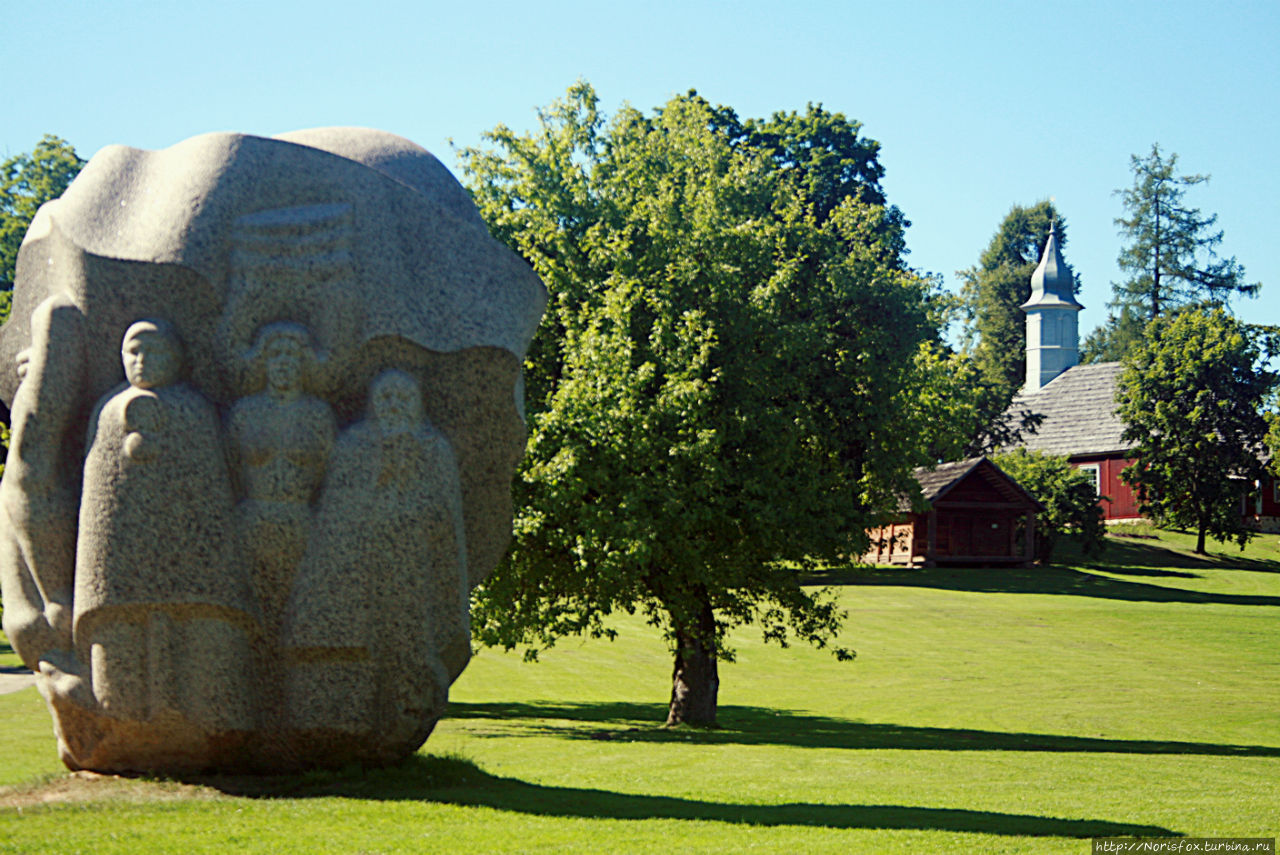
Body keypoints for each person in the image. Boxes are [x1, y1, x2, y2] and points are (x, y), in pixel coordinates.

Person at [73, 319, 259, 733]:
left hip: (194, 561)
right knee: (121, 641)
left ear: (177, 358)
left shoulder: (196, 412)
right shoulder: (107, 412)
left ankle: (211, 721)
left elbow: (210, 488)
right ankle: (125, 723)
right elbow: (98, 499)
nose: (142, 360)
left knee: (203, 639)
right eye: (134, 351)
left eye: (155, 351)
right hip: (122, 558)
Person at [282, 368, 469, 757]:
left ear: (417, 405)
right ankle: (349, 723)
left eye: (404, 398)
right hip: (356, 566)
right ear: (372, 404)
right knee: (356, 645)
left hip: (412, 565)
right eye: (386, 398)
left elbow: (444, 517)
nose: (394, 406)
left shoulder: (433, 448)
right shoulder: (353, 445)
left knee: (409, 642)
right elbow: (335, 509)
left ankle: (403, 719)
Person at [227, 322, 335, 641]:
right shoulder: (244, 413)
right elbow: (231, 468)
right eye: (275, 354)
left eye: (292, 355)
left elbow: (329, 472)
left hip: (302, 521)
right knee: (251, 614)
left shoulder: (318, 415)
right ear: (263, 362)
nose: (284, 362)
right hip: (252, 521)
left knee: (300, 615)